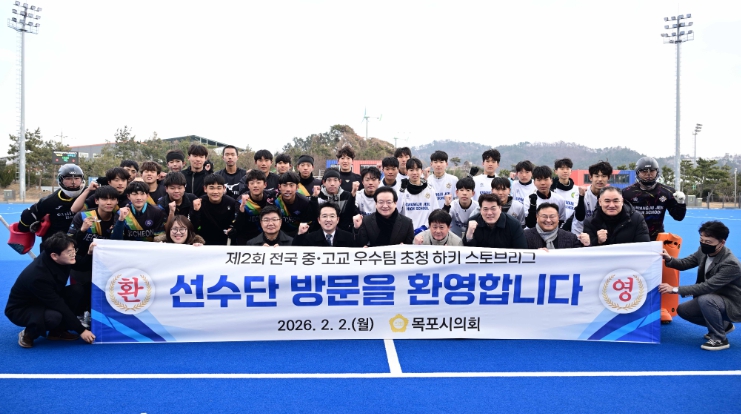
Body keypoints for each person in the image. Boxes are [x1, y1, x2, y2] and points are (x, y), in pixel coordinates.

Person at [659, 221, 741, 351]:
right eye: (701, 240)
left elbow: (707, 287)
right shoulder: (703, 251)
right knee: (683, 310)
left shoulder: (731, 264)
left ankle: (719, 339)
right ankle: (724, 326)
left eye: (708, 242)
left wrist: (674, 289)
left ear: (722, 242)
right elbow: (685, 263)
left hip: (734, 304)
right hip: (715, 299)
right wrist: (668, 259)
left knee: (706, 299)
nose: (703, 244)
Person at [5, 232, 95, 348]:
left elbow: (82, 265)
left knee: (77, 290)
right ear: (54, 256)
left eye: (74, 249)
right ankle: (28, 334)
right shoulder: (38, 277)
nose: (73, 253)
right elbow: (59, 305)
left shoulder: (61, 255)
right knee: (53, 317)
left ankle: (57, 332)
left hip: (46, 298)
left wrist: (89, 253)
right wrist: (81, 330)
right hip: (23, 308)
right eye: (69, 251)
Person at [66, 185, 119, 327]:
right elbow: (67, 242)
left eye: (112, 199)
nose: (109, 202)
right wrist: (82, 230)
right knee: (82, 288)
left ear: (117, 201)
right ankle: (81, 313)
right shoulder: (83, 216)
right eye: (104, 199)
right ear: (96, 201)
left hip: (108, 263)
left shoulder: (119, 217)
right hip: (83, 262)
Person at [16, 164, 86, 251]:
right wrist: (23, 229)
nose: (73, 182)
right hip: (55, 245)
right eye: (68, 178)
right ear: (60, 180)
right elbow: (27, 216)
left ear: (82, 179)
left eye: (77, 178)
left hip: (82, 244)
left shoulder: (91, 194)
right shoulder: (48, 201)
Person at [622, 156, 686, 241]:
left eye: (652, 171)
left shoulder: (667, 192)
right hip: (633, 237)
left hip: (657, 238)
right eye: (644, 171)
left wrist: (681, 203)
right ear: (637, 173)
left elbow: (678, 217)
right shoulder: (626, 193)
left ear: (657, 172)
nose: (648, 174)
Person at [579, 187, 650, 246]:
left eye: (616, 201)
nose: (612, 205)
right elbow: (588, 252)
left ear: (622, 201)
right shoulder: (590, 222)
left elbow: (644, 247)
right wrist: (598, 241)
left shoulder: (637, 219)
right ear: (600, 202)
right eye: (607, 201)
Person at [190, 174, 237, 245]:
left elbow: (235, 223)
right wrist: (195, 211)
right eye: (211, 188)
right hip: (203, 242)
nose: (215, 192)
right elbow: (194, 227)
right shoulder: (199, 203)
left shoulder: (231, 202)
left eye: (219, 188)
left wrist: (232, 229)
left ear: (224, 188)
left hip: (225, 241)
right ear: (205, 189)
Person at [398, 158, 440, 234]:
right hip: (407, 232)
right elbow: (397, 210)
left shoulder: (430, 190)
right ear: (407, 172)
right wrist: (401, 191)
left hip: (426, 232)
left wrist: (425, 227)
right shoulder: (402, 190)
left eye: (417, 170)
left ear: (421, 171)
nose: (414, 173)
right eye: (411, 170)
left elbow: (436, 212)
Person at [571, 161, 612, 236]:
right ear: (590, 177)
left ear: (608, 178)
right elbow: (579, 217)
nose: (600, 179)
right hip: (580, 233)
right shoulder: (581, 193)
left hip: (600, 234)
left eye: (603, 176)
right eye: (597, 176)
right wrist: (581, 197)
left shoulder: (611, 195)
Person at [273, 171, 314, 238]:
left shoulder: (304, 202)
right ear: (279, 187)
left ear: (297, 187)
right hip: (280, 236)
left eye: (291, 185)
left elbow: (307, 225)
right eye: (284, 185)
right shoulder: (275, 201)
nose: (288, 189)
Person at [551, 158, 580, 230]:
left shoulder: (577, 190)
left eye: (567, 168)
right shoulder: (551, 190)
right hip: (553, 227)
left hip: (572, 228)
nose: (565, 171)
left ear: (571, 171)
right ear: (556, 171)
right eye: (562, 168)